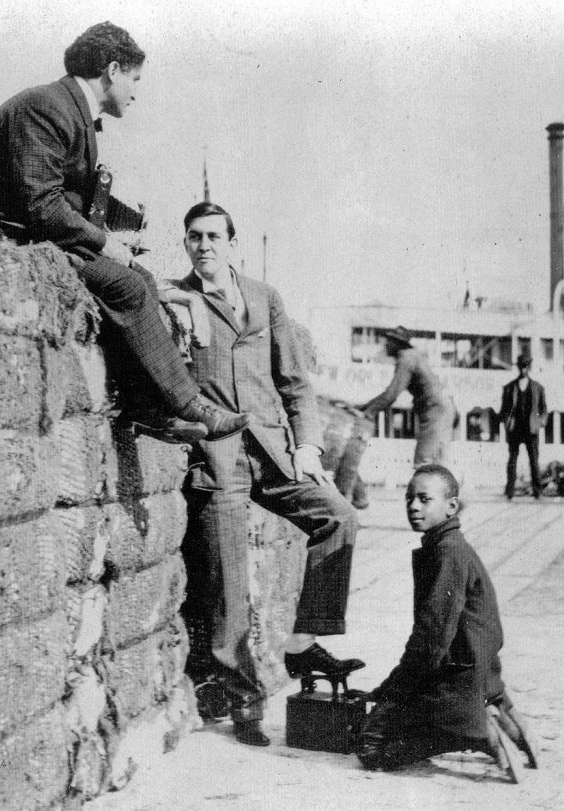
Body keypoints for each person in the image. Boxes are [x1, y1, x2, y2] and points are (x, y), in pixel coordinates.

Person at [0, 21, 247, 443]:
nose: (136, 91)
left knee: (137, 280)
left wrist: (111, 238)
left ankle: (149, 409)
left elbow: (55, 205)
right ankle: (187, 404)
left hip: (30, 239)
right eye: (135, 79)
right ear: (113, 70)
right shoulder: (45, 107)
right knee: (127, 283)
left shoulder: (70, 111)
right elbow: (41, 205)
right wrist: (105, 244)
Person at [174, 202, 363, 747]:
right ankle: (244, 702)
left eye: (213, 236)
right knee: (229, 591)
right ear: (186, 244)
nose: (204, 245)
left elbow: (296, 384)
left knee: (340, 518)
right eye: (194, 237)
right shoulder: (179, 299)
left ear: (232, 243)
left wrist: (307, 445)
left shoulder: (265, 297)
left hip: (277, 455)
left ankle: (305, 642)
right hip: (219, 460)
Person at [358, 465, 537, 772]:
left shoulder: (447, 554)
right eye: (409, 499)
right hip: (477, 668)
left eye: (424, 499)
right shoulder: (448, 545)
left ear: (451, 506)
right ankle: (503, 725)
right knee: (390, 716)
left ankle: (479, 735)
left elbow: (431, 637)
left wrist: (395, 689)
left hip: (456, 679)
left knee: (371, 750)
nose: (413, 506)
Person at [361, 326, 458, 467]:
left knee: (424, 461)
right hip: (442, 408)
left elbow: (391, 395)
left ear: (397, 344)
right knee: (437, 461)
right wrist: (365, 407)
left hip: (436, 410)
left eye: (390, 341)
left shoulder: (406, 358)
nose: (386, 344)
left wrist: (368, 412)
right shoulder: (411, 355)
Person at [498, 353, 547, 499]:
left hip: (531, 430)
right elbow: (504, 410)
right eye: (521, 366)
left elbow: (543, 410)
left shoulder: (538, 388)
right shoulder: (509, 388)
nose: (523, 369)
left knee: (534, 461)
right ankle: (509, 492)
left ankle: (538, 492)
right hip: (515, 430)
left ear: (529, 367)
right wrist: (508, 423)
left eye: (526, 366)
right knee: (512, 460)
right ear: (518, 367)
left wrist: (539, 423)